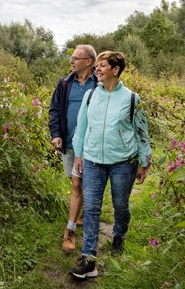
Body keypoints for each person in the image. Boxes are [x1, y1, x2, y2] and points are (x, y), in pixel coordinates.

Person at [69, 51, 151, 279]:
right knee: (92, 208)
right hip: (93, 159)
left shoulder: (132, 98)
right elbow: (81, 127)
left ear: (115, 70)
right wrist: (79, 154)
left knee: (120, 205)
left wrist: (143, 162)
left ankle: (119, 236)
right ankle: (88, 259)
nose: (98, 69)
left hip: (123, 162)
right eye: (97, 65)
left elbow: (142, 132)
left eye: (103, 65)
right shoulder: (91, 95)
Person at [49, 44, 98, 253]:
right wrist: (56, 134)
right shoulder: (65, 83)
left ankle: (69, 231)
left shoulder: (100, 84)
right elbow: (54, 109)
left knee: (77, 184)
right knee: (75, 182)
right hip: (68, 142)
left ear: (88, 61)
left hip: (90, 144)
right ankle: (80, 214)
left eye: (76, 58)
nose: (71, 61)